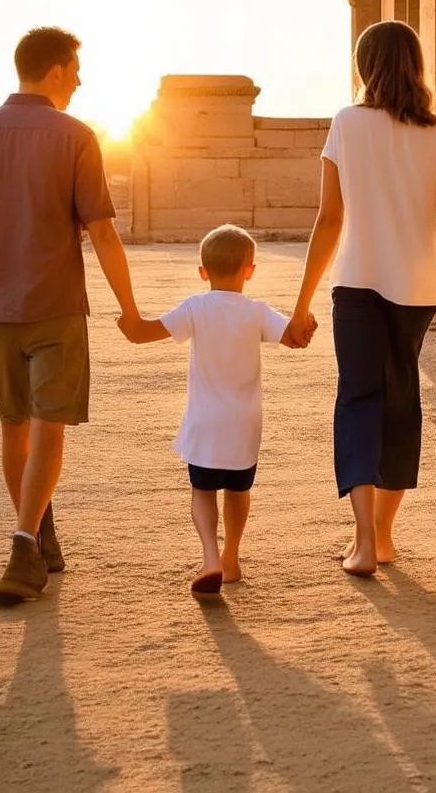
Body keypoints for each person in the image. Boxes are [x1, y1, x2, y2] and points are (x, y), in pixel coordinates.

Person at [0, 27, 144, 607]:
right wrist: (129, 308)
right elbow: (101, 231)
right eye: (74, 70)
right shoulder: (76, 137)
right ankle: (25, 544)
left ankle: (36, 527)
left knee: (13, 425)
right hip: (57, 308)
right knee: (48, 426)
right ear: (53, 71)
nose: (78, 80)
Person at [284, 20, 436, 579]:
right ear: (414, 64)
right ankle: (385, 535)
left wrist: (301, 305)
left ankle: (364, 541)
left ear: (364, 65)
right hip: (418, 289)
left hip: (357, 282)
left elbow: (329, 219)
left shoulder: (347, 123)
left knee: (357, 400)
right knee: (402, 402)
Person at [117, 224, 315, 598]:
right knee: (238, 492)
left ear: (202, 272)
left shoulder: (195, 307)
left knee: (203, 491)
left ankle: (210, 556)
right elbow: (293, 339)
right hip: (244, 423)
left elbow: (143, 333)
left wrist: (128, 319)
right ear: (250, 269)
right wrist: (306, 327)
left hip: (205, 423)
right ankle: (232, 558)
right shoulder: (257, 311)